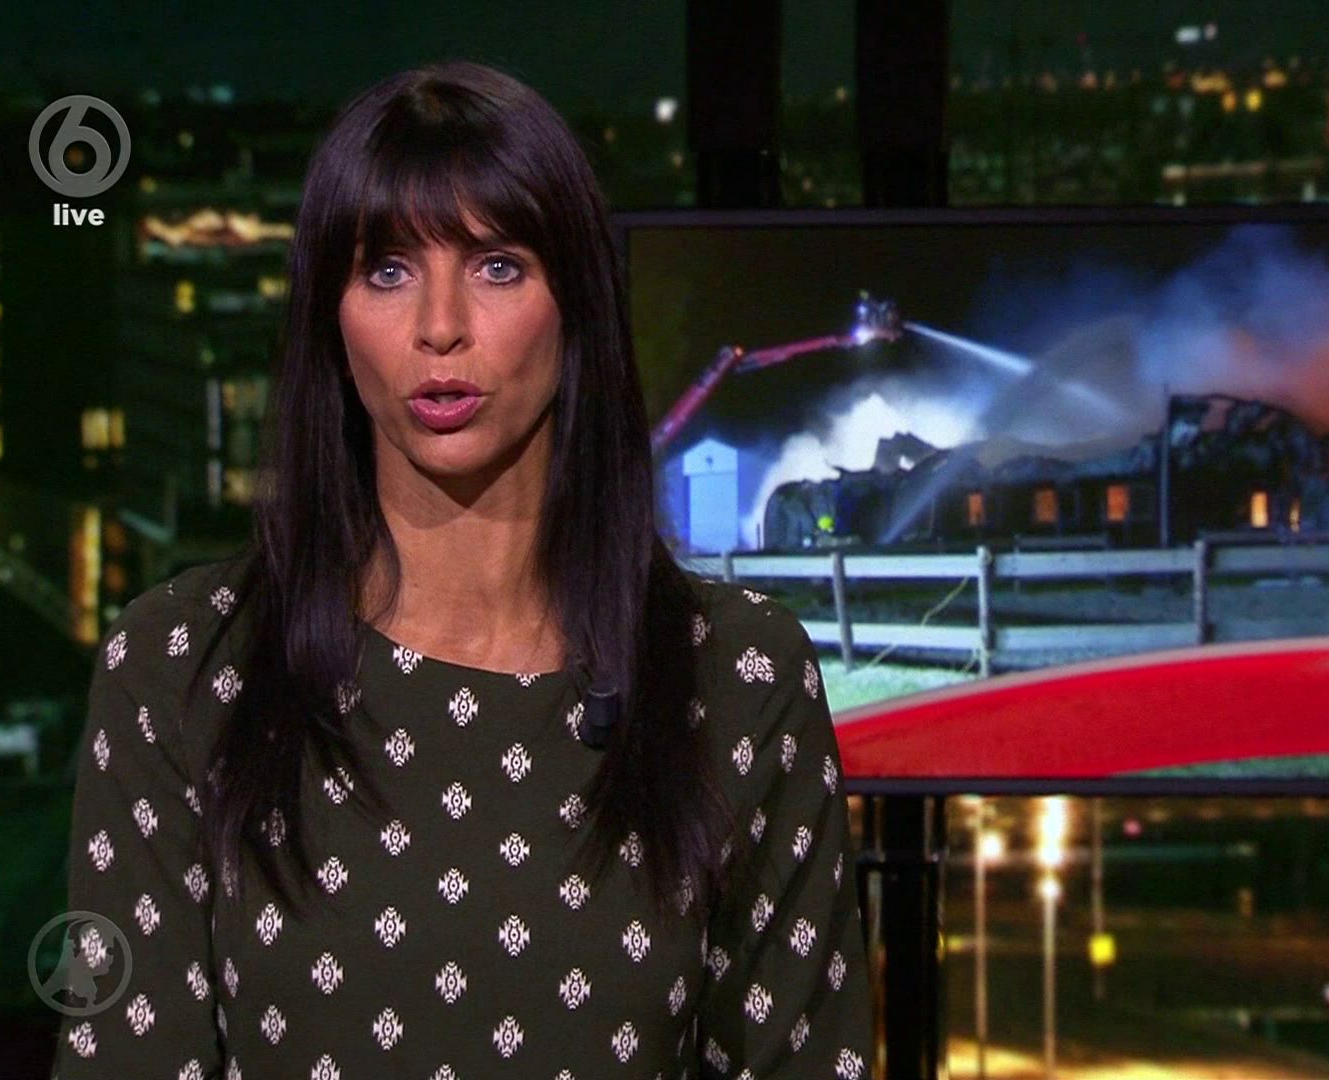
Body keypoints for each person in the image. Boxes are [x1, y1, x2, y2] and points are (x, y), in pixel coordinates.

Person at [49, 60, 875, 1079]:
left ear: (575, 303)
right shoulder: (180, 666)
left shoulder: (738, 676)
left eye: (497, 266)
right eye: (388, 271)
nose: (440, 326)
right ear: (329, 316)